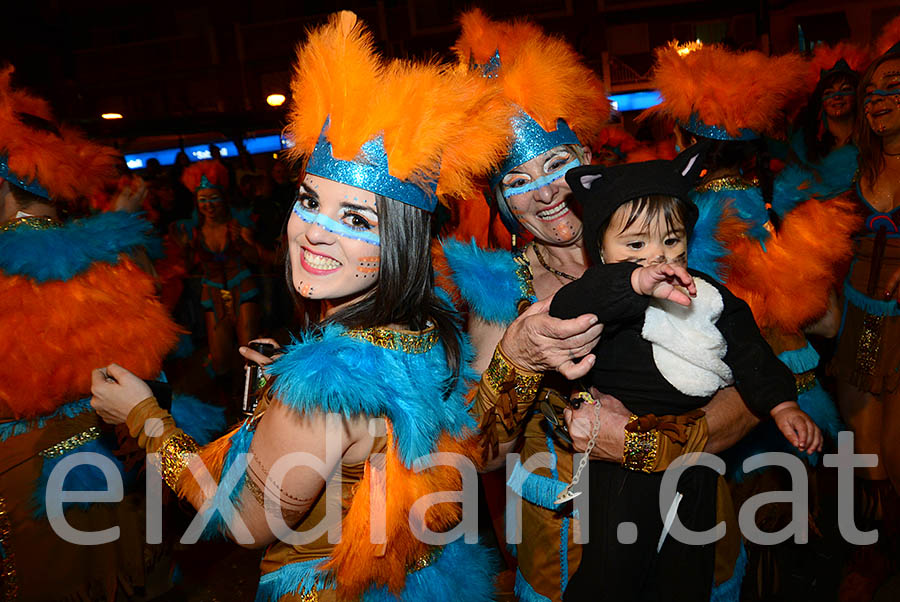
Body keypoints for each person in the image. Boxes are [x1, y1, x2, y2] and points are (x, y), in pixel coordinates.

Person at [89, 11, 512, 601]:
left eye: (355, 219)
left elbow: (242, 521)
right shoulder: (430, 324)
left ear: (400, 241)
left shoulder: (322, 386)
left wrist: (144, 417)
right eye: (311, 200)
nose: (314, 231)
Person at [440, 11, 762, 602]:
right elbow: (480, 453)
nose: (546, 192)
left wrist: (643, 441)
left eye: (558, 164)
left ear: (588, 160)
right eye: (517, 179)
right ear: (499, 200)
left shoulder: (681, 251)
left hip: (688, 521)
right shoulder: (497, 297)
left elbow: (753, 393)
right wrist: (519, 357)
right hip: (569, 543)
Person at [549, 148, 821, 601]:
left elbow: (751, 350)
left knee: (686, 568)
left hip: (693, 456)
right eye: (635, 246)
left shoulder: (708, 294)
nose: (656, 256)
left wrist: (782, 402)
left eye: (671, 242)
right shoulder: (602, 291)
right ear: (600, 248)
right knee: (613, 569)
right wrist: (632, 283)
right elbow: (568, 307)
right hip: (620, 459)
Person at [642, 40, 861, 598]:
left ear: (684, 141)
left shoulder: (680, 220)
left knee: (730, 544)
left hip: (724, 394)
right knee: (787, 535)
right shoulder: (775, 198)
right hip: (797, 385)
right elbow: (828, 321)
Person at [0, 65, 223, 601]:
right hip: (116, 468)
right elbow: (153, 372)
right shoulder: (111, 255)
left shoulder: (11, 269)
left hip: (30, 489)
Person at [830, 35, 900, 602]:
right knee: (863, 436)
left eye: (893, 90)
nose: (876, 101)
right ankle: (874, 548)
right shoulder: (857, 170)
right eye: (871, 91)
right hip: (863, 322)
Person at [172, 159, 261, 383]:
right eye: (203, 200)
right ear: (197, 203)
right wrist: (184, 248)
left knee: (249, 351)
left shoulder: (237, 223)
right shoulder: (193, 231)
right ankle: (229, 405)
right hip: (211, 292)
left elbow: (257, 259)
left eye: (214, 198)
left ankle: (256, 398)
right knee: (220, 358)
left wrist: (244, 243)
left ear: (223, 199)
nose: (209, 205)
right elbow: (187, 266)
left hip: (243, 287)